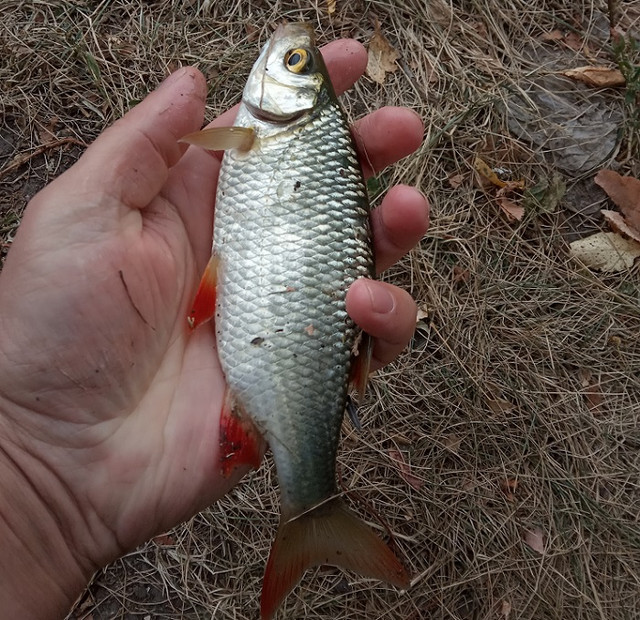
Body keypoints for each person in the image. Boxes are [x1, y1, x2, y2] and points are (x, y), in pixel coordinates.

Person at [0, 38, 429, 618]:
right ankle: (311, 503)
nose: (284, 51)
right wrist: (24, 449)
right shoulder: (264, 133)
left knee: (361, 302)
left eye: (293, 62)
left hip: (262, 324)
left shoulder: (258, 135)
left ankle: (312, 500)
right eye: (296, 60)